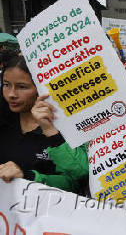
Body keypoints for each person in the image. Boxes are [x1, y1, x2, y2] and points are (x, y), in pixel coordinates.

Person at [0, 55, 88, 192]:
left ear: (42, 90)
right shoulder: (4, 119)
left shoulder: (66, 123)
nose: (11, 94)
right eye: (6, 85)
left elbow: (77, 178)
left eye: (22, 87)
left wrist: (29, 177)